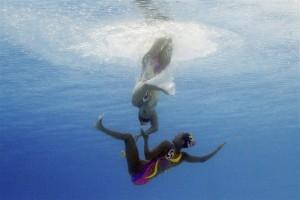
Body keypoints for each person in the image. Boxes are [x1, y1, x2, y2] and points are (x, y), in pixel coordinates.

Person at [95, 114, 225, 185]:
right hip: (142, 180)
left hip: (138, 172)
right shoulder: (183, 157)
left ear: (181, 141)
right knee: (157, 163)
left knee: (129, 138)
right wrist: (217, 149)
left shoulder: (167, 144)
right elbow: (202, 160)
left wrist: (146, 140)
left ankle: (100, 128)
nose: (175, 135)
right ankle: (128, 154)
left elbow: (148, 155)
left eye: (177, 135)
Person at [132, 37, 174, 138]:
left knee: (160, 39)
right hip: (159, 69)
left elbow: (146, 85)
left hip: (149, 63)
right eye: (149, 112)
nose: (147, 109)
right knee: (170, 42)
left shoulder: (136, 101)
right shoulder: (150, 109)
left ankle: (157, 25)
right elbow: (155, 127)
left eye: (144, 111)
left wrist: (163, 89)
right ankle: (171, 30)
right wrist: (140, 135)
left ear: (140, 111)